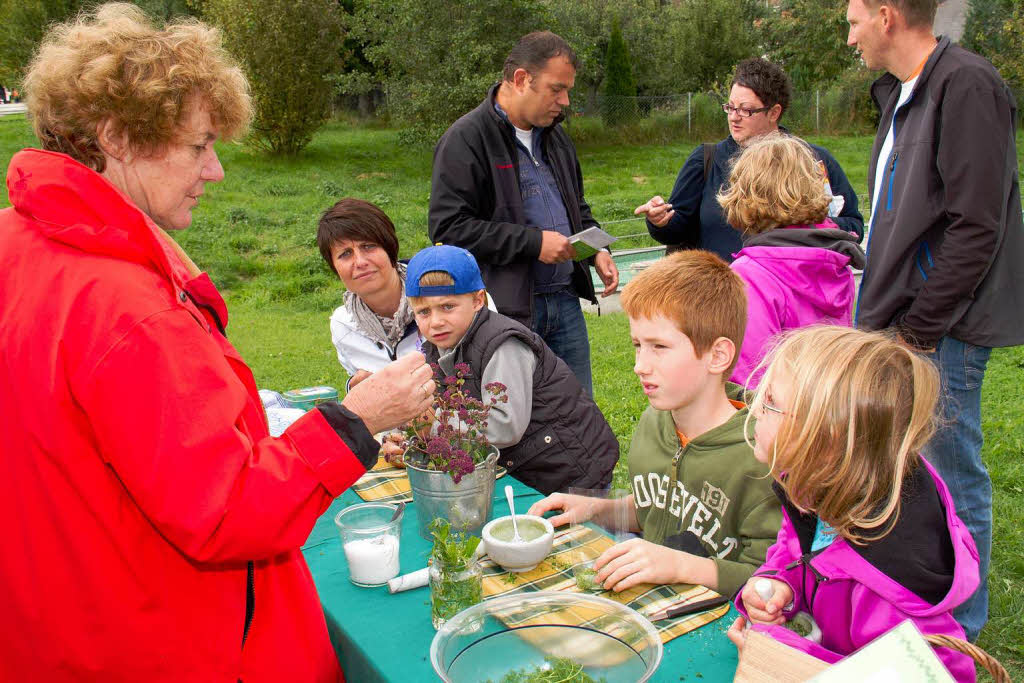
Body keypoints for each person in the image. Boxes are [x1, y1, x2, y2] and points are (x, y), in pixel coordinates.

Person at [0, 5, 434, 680]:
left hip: (60, 620)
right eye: (200, 145)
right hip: (169, 639)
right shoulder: (125, 309)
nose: (216, 171)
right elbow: (229, 509)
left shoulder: (16, 242)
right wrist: (361, 418)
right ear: (117, 136)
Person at [846, 0, 1024, 641]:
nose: (850, 36)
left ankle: (960, 628)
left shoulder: (966, 83)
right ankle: (922, 598)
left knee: (951, 470)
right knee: (908, 466)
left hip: (942, 326)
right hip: (901, 317)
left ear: (887, 15)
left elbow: (977, 225)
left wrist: (918, 327)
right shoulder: (902, 93)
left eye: (853, 20)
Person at [726, 326, 981, 681]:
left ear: (823, 440)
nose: (754, 410)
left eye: (770, 403)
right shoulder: (817, 492)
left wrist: (776, 649)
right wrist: (777, 582)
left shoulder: (886, 589)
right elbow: (796, 550)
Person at [529, 251, 781, 598]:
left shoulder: (762, 456)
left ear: (718, 355)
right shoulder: (654, 423)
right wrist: (597, 509)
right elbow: (657, 509)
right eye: (637, 345)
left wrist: (680, 565)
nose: (640, 365)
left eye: (659, 346)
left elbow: (774, 583)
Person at [428, 31, 619, 397]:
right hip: (507, 309)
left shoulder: (556, 136)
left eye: (567, 91)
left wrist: (597, 247)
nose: (564, 101)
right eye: (556, 89)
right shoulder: (466, 139)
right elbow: (448, 229)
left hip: (564, 302)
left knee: (579, 415)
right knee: (515, 420)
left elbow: (576, 207)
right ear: (520, 80)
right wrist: (532, 244)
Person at [405, 245, 619, 495]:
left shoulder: (503, 345)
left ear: (477, 300)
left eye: (447, 306)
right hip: (526, 467)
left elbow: (504, 426)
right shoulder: (437, 346)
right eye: (423, 312)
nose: (436, 321)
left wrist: (436, 425)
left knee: (591, 532)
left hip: (571, 471)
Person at [635, 58, 863, 262]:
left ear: (774, 112)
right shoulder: (706, 160)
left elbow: (853, 226)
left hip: (790, 297)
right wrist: (660, 221)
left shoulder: (813, 161)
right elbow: (678, 229)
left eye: (745, 110)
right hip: (717, 300)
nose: (734, 117)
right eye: (730, 107)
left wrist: (809, 226)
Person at [717, 135, 865, 389]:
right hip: (824, 405)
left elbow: (748, 377)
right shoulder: (835, 260)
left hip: (775, 417)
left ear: (745, 193)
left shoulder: (751, 274)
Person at [318, 198, 421, 389]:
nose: (360, 261)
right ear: (334, 267)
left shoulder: (444, 296)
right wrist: (355, 386)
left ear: (390, 248)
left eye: (368, 246)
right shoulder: (342, 324)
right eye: (345, 254)